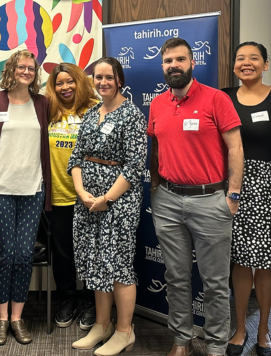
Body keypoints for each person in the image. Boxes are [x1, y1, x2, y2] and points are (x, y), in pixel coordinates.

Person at [148, 37, 243, 356]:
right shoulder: (158, 104)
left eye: (180, 59)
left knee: (215, 283)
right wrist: (155, 188)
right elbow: (156, 147)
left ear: (193, 63)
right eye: (168, 61)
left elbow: (236, 148)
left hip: (211, 201)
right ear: (162, 67)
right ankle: (182, 340)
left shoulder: (217, 99)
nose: (173, 65)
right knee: (175, 277)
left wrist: (232, 195)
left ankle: (216, 346)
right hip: (168, 201)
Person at [222, 42, 271, 356]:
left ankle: (263, 332)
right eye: (241, 58)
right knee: (239, 261)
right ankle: (239, 329)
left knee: (266, 264)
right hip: (236, 186)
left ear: (265, 64)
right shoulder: (223, 97)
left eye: (254, 58)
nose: (246, 63)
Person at [68, 57, 147, 356]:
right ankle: (101, 325)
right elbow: (77, 157)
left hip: (118, 202)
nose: (102, 83)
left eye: (108, 77)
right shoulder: (91, 113)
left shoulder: (131, 115)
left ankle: (125, 331)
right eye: (97, 77)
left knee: (118, 264)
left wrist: (107, 199)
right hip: (87, 200)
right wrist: (82, 192)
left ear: (120, 80)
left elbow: (135, 165)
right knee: (96, 262)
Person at [0, 50, 51, 346]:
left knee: (23, 255)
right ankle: (0, 318)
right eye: (21, 66)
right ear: (11, 69)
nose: (26, 71)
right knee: (5, 255)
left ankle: (17, 318)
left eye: (31, 68)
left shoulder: (42, 103)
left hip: (32, 189)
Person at [45, 63, 98, 330]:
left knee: (89, 252)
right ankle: (67, 299)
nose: (65, 87)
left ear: (79, 81)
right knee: (63, 253)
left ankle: (90, 301)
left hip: (90, 196)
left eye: (70, 81)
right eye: (59, 83)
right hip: (59, 195)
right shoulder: (48, 111)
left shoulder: (95, 109)